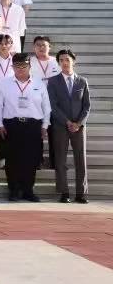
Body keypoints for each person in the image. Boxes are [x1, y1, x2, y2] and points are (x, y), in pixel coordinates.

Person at [0, 52, 49, 202]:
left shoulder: (39, 84)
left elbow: (47, 106)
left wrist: (45, 125)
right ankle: (13, 190)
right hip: (12, 125)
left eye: (24, 66)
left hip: (33, 125)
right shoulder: (4, 84)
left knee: (31, 159)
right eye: (17, 66)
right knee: (12, 159)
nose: (20, 69)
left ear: (30, 66)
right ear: (12, 67)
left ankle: (28, 191)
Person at [48, 49, 89, 204]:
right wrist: (67, 122)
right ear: (58, 63)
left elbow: (87, 106)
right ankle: (64, 192)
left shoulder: (82, 81)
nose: (65, 62)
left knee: (81, 159)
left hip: (79, 127)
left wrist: (79, 123)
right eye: (61, 60)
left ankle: (81, 193)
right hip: (60, 125)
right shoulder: (53, 81)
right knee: (60, 159)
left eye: (67, 59)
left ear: (73, 61)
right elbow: (53, 105)